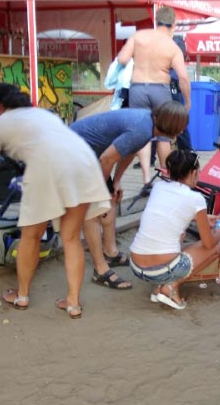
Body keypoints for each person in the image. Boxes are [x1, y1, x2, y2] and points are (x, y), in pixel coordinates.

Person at [0, 83, 110, 319]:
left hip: (47, 169)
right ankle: (73, 303)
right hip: (85, 163)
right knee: (71, 238)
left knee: (31, 236)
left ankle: (22, 295)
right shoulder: (43, 115)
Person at [70, 102, 189, 290]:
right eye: (181, 127)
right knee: (92, 211)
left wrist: (116, 181)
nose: (181, 132)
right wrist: (100, 191)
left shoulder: (148, 125)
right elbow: (106, 159)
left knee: (111, 200)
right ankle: (100, 270)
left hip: (91, 154)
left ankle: (110, 252)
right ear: (171, 124)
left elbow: (128, 151)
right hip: (74, 153)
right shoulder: (141, 129)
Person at [128, 150, 220, 310]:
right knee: (215, 248)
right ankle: (170, 287)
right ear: (194, 173)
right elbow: (208, 243)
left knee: (180, 237)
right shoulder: (196, 198)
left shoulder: (159, 186)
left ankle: (160, 286)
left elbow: (169, 213)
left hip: (136, 265)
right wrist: (219, 234)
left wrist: (202, 218)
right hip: (160, 270)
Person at [116, 5, 190, 184]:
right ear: (173, 24)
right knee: (164, 134)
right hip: (160, 89)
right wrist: (187, 102)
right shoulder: (173, 47)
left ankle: (146, 177)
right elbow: (183, 78)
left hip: (138, 88)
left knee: (142, 132)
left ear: (156, 21)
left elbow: (122, 59)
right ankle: (166, 176)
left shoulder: (138, 36)